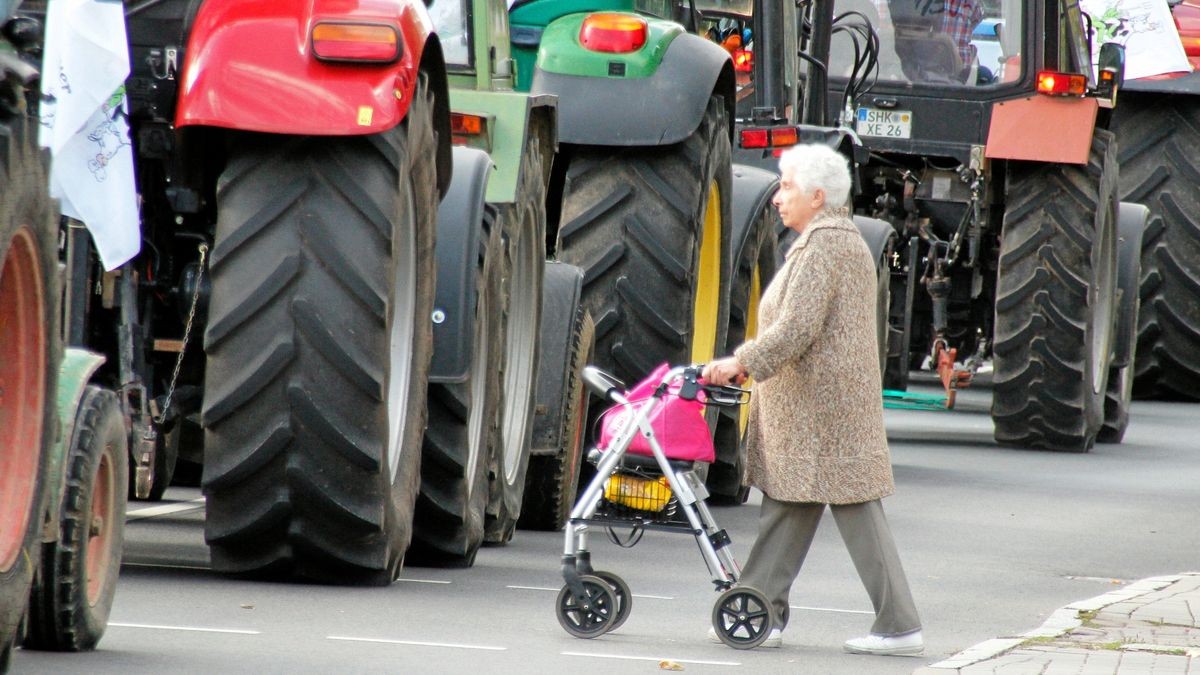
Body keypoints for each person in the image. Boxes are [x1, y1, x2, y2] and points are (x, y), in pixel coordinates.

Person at [702, 143, 923, 655]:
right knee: (790, 504)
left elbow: (797, 326)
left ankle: (899, 625)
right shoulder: (828, 241)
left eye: (787, 186)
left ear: (819, 196)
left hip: (822, 412)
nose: (778, 196)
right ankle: (759, 612)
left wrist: (743, 362)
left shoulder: (824, 246)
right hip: (822, 409)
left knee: (852, 509)